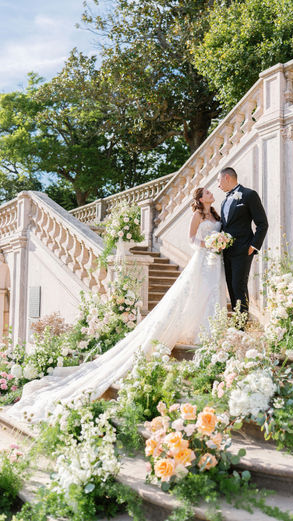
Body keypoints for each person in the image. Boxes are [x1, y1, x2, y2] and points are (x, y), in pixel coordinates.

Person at [7, 187, 226, 423]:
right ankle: (199, 333)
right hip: (203, 259)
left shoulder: (216, 215)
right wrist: (209, 244)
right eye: (206, 193)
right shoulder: (198, 215)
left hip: (216, 261)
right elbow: (192, 239)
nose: (211, 194)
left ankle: (208, 330)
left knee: (210, 295)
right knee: (196, 294)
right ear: (200, 198)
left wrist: (220, 243)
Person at [218, 167, 268, 317]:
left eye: (219, 180)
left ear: (227, 177)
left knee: (238, 285)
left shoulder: (249, 195)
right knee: (230, 286)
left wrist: (253, 246)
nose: (218, 185)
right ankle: (236, 321)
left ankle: (242, 325)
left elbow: (262, 223)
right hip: (226, 251)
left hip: (243, 249)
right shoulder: (224, 201)